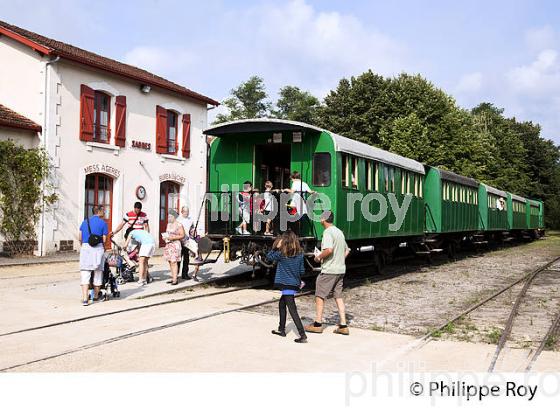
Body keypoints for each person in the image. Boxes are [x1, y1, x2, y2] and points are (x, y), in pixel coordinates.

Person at [305, 211, 350, 335]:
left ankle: (318, 324)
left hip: (329, 270)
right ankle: (343, 325)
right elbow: (347, 251)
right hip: (340, 270)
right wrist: (339, 260)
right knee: (338, 297)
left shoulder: (328, 232)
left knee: (320, 295)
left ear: (323, 220)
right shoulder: (339, 232)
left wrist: (319, 257)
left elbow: (329, 250)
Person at [266, 231, 307, 343]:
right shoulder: (300, 254)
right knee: (282, 304)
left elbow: (269, 257)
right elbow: (302, 271)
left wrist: (276, 247)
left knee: (292, 309)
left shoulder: (281, 254)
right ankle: (281, 329)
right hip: (293, 283)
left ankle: (302, 335)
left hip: (285, 284)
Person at [78, 206, 108, 306]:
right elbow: (104, 240)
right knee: (98, 273)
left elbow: (80, 237)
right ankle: (95, 296)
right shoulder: (103, 223)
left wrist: (84, 246)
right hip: (98, 249)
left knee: (85, 274)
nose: (104, 212)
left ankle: (85, 298)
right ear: (99, 212)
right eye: (103, 210)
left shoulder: (84, 222)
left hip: (86, 248)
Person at [177, 206, 203, 280]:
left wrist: (194, 234)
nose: (187, 213)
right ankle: (176, 274)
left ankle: (185, 274)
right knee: (178, 258)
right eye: (185, 212)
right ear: (182, 212)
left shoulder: (190, 220)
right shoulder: (178, 220)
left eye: (187, 212)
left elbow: (192, 230)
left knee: (186, 258)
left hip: (187, 241)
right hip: (179, 241)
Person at [162, 209, 185, 285]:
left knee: (174, 261)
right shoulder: (169, 224)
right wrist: (165, 237)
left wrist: (173, 238)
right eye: (168, 216)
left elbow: (182, 235)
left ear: (174, 217)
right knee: (170, 261)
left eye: (170, 216)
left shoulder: (179, 225)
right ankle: (173, 277)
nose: (169, 218)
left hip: (175, 245)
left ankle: (175, 279)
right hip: (168, 244)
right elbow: (167, 233)